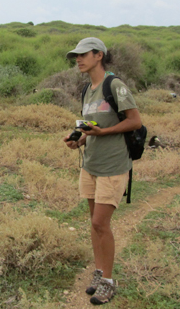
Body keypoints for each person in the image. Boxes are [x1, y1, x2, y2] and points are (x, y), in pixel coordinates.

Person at [63, 37, 143, 305]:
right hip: (91, 164)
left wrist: (103, 132)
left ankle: (108, 281)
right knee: (94, 224)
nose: (78, 59)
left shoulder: (115, 85)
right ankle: (99, 273)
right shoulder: (87, 89)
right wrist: (80, 138)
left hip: (113, 165)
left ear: (99, 55)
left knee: (100, 223)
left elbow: (135, 121)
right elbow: (90, 125)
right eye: (76, 55)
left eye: (84, 54)